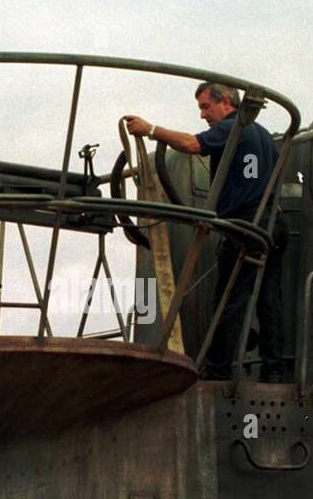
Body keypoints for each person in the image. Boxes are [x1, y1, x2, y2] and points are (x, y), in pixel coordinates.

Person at [123, 82, 287, 382]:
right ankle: (275, 369)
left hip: (245, 226)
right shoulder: (263, 135)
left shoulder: (235, 126)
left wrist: (151, 130)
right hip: (272, 226)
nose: (202, 115)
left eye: (205, 106)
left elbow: (191, 145)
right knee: (268, 300)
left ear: (226, 102)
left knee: (229, 299)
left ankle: (218, 370)